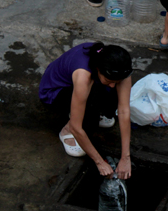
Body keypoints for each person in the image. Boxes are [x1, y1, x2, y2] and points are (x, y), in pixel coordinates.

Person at [39, 42, 133, 179]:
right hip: (55, 92)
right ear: (98, 69)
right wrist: (99, 162)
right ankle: (66, 130)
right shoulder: (83, 76)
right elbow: (77, 128)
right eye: (108, 80)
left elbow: (124, 110)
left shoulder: (120, 67)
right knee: (89, 123)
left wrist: (126, 157)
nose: (113, 85)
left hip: (89, 84)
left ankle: (89, 108)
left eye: (116, 81)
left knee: (113, 96)